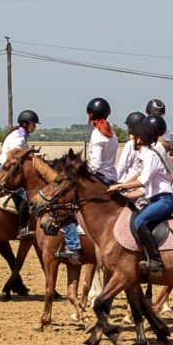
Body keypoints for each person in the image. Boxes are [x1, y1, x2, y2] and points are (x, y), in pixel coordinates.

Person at [107, 119, 173, 276]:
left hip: (164, 200)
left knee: (139, 222)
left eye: (133, 136)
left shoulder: (150, 155)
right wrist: (125, 196)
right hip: (155, 199)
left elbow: (142, 182)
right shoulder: (147, 155)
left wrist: (119, 186)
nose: (131, 139)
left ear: (139, 138)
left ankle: (156, 260)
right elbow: (144, 191)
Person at [58, 98, 119, 264]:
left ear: (91, 114)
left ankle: (73, 246)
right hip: (112, 177)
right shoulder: (111, 131)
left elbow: (96, 163)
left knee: (69, 208)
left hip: (99, 178)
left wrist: (82, 170)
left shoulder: (97, 133)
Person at [0, 110, 40, 238]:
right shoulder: (18, 137)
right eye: (33, 124)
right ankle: (22, 228)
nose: (35, 127)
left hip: (9, 169)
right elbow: (17, 155)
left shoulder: (19, 135)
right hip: (8, 171)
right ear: (25, 123)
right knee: (26, 196)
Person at [115, 111, 146, 182]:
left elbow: (122, 166)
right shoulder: (149, 144)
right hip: (142, 183)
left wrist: (116, 181)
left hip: (129, 183)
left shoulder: (130, 144)